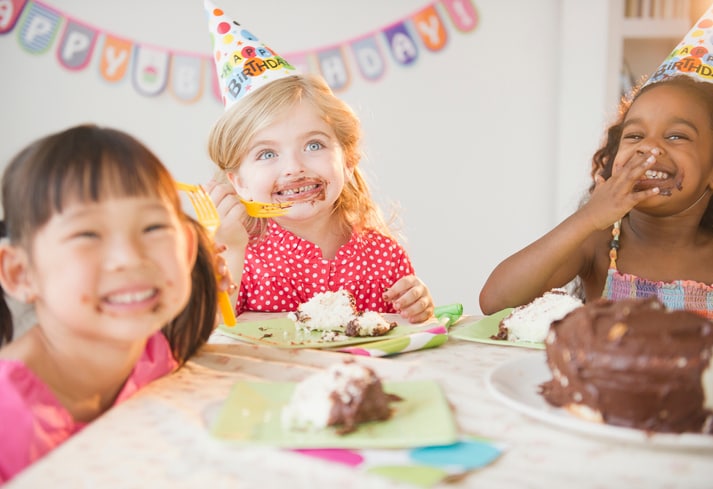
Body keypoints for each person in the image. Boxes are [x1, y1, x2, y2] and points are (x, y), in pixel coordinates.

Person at [0, 124, 227, 483]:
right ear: (20, 273)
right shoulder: (8, 414)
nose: (129, 258)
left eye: (152, 228)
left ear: (184, 248)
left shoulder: (158, 355)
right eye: (87, 234)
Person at [479, 75, 713, 319]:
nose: (648, 146)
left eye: (676, 136)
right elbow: (496, 301)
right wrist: (589, 217)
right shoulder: (598, 244)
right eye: (634, 135)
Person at [206, 73, 434, 323]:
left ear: (348, 162)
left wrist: (417, 307)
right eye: (267, 153)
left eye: (314, 145)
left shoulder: (385, 255)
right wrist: (232, 250)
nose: (294, 167)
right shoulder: (239, 255)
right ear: (239, 183)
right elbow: (210, 334)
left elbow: (407, 338)